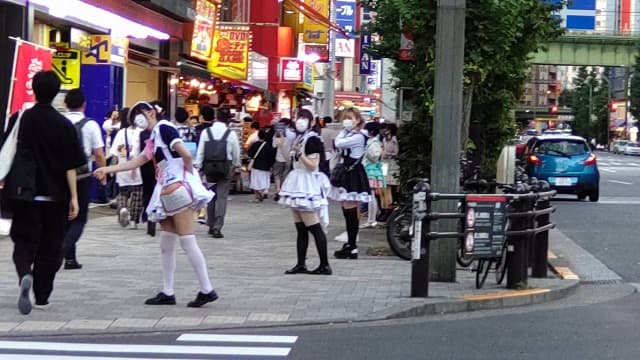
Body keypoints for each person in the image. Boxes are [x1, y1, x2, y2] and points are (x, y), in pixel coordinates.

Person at [94, 101, 218, 308]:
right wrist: (107, 170)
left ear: (152, 113)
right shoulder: (154, 135)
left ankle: (206, 289)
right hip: (171, 188)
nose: (137, 118)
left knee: (187, 241)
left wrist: (185, 175)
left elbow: (185, 154)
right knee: (168, 242)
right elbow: (139, 160)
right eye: (135, 115)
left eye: (140, 113)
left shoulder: (163, 128)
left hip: (175, 188)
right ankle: (168, 291)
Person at [4, 71, 86, 314]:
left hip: (24, 193)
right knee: (51, 246)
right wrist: (74, 197)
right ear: (56, 93)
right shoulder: (64, 125)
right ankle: (41, 296)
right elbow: (71, 164)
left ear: (34, 89)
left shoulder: (21, 119)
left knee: (23, 241)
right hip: (55, 196)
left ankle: (25, 274)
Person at [279, 109, 332, 275]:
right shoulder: (299, 138)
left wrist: (300, 154)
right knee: (301, 228)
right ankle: (301, 263)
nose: (300, 121)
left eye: (304, 118)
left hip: (307, 184)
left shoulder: (313, 139)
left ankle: (324, 264)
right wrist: (282, 146)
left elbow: (313, 164)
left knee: (314, 227)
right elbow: (292, 160)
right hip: (297, 182)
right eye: (298, 117)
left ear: (311, 121)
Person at [62, 88, 107, 270]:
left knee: (63, 216)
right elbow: (98, 153)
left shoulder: (60, 122)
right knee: (79, 218)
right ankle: (64, 250)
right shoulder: (90, 125)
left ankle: (70, 258)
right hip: (82, 176)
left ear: (65, 104)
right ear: (84, 105)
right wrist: (103, 172)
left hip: (59, 175)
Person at [331, 107, 371, 260]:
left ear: (358, 120)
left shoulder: (358, 136)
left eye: (351, 118)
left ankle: (352, 245)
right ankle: (350, 244)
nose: (347, 121)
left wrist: (343, 132)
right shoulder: (351, 134)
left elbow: (339, 143)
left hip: (353, 173)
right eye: (345, 118)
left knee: (350, 210)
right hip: (348, 172)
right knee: (346, 209)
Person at [195, 106, 241, 238]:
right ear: (228, 120)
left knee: (211, 196)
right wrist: (236, 166)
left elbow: (201, 151)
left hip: (209, 167)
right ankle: (217, 227)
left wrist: (198, 167)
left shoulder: (206, 132)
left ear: (216, 117)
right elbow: (236, 153)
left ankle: (210, 223)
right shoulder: (230, 134)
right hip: (225, 167)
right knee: (222, 197)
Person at [110, 107, 144, 230]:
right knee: (137, 195)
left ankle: (123, 208)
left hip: (123, 167)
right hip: (138, 168)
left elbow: (114, 153)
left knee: (122, 193)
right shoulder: (142, 132)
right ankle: (134, 220)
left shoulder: (121, 133)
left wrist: (113, 169)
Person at [361, 122, 385, 228]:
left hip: (371, 170)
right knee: (370, 196)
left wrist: (366, 153)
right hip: (369, 169)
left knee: (371, 196)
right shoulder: (372, 141)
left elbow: (375, 156)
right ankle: (371, 219)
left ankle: (372, 220)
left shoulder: (374, 142)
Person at [248, 129, 276, 202]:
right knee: (264, 180)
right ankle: (263, 191)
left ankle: (257, 196)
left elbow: (250, 154)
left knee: (255, 181)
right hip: (266, 167)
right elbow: (272, 157)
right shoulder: (269, 146)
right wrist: (270, 165)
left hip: (256, 165)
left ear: (258, 135)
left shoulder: (255, 144)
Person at [379, 123, 399, 221]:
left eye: (387, 129)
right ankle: (383, 209)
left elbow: (396, 153)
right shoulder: (384, 139)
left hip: (392, 165)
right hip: (384, 164)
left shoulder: (394, 140)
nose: (385, 131)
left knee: (388, 188)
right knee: (382, 187)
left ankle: (388, 210)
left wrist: (386, 154)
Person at [272, 118, 295, 202]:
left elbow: (274, 145)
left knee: (277, 175)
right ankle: (284, 191)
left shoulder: (276, 134)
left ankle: (278, 189)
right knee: (285, 175)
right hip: (288, 157)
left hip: (279, 157)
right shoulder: (293, 135)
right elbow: (294, 146)